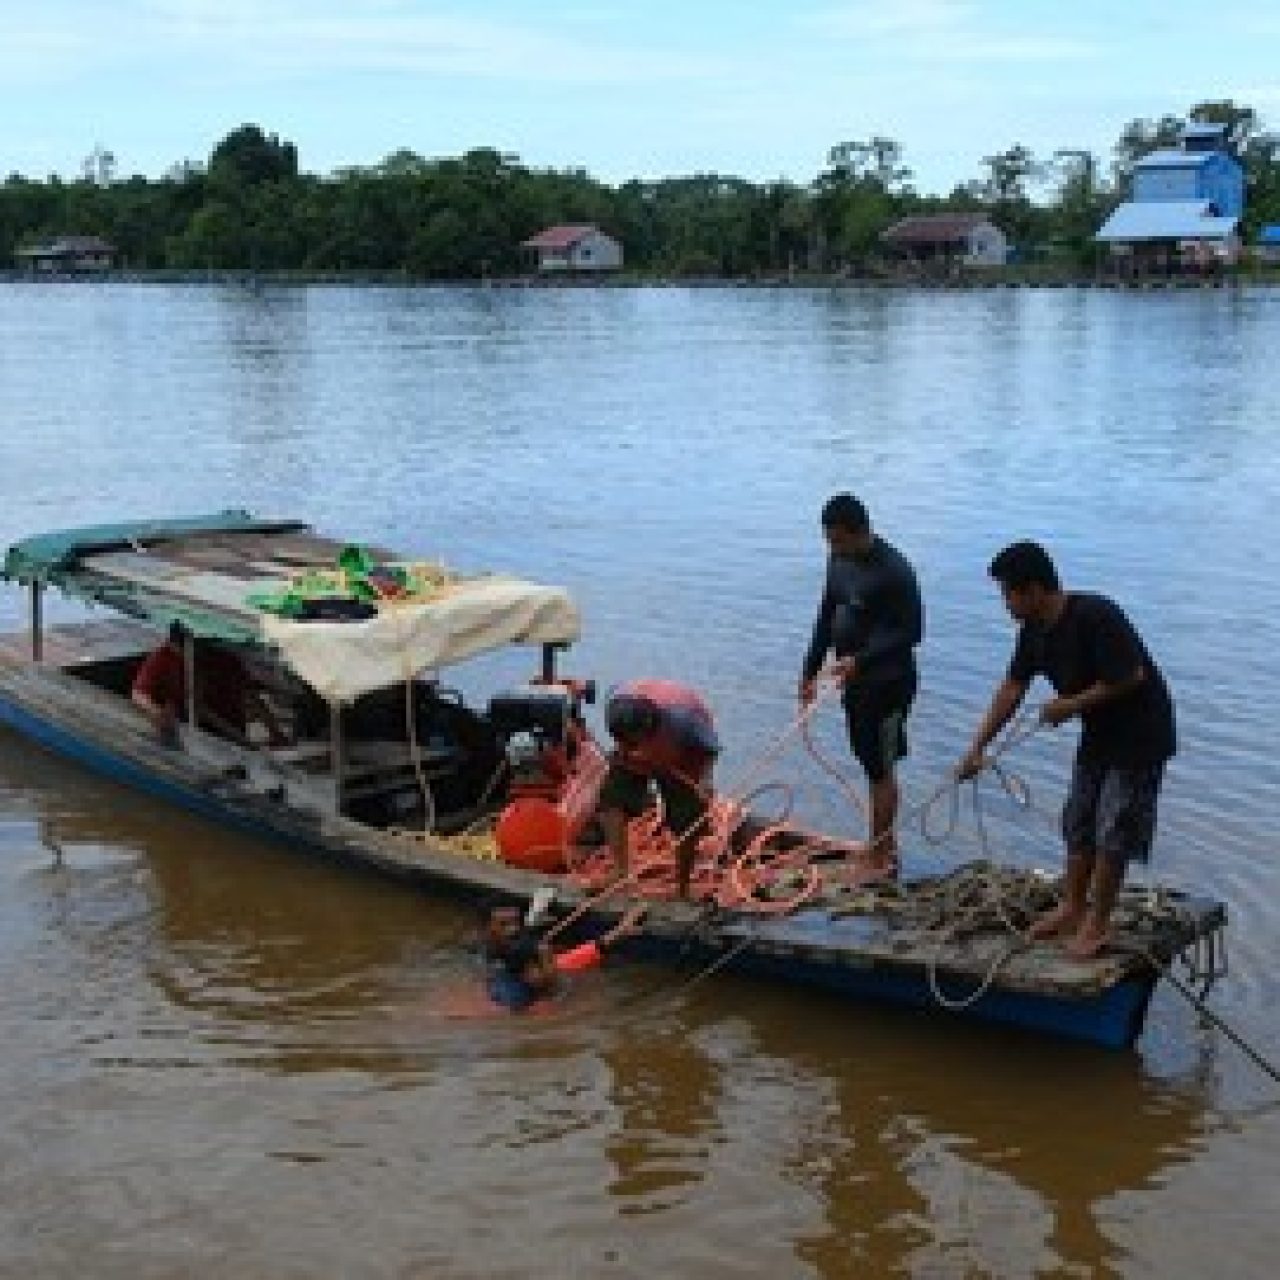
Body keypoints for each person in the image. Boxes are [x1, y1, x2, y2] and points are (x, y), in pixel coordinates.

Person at [957, 541, 1176, 959]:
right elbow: (1013, 687)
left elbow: (1131, 675)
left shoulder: (1096, 614)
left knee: (1114, 826)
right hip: (1099, 734)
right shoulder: (1033, 633)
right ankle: (1074, 908)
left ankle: (1098, 923)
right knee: (1079, 817)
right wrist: (978, 748)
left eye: (1008, 593)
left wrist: (1071, 704)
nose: (1005, 603)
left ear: (1035, 590)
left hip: (1141, 734)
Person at [799, 494, 923, 877]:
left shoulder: (894, 571)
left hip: (888, 683)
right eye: (828, 541)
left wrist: (862, 660)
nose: (832, 549)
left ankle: (880, 856)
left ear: (860, 532)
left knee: (879, 768)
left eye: (837, 541)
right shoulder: (839, 559)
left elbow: (913, 632)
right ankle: (883, 845)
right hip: (853, 683)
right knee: (868, 760)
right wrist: (809, 669)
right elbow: (827, 611)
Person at [593, 680, 720, 898]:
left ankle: (682, 889)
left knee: (688, 822)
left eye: (636, 742)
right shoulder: (616, 704)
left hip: (683, 754)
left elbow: (710, 750)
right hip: (638, 744)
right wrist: (628, 750)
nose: (636, 750)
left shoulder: (687, 720)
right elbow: (623, 743)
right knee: (609, 802)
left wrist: (705, 783)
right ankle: (621, 874)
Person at [131, 622, 286, 747]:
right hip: (190, 731)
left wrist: (275, 732)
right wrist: (157, 713)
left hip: (231, 732)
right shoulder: (163, 658)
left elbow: (251, 696)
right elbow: (139, 693)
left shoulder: (225, 659)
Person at [482, 900, 648, 1012]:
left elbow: (591, 949)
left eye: (548, 964)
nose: (512, 930)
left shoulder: (553, 965)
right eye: (504, 924)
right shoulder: (506, 1001)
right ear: (525, 973)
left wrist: (622, 929)